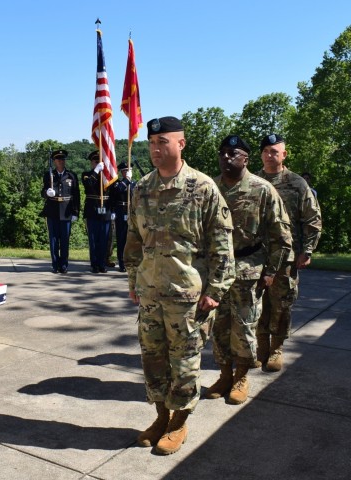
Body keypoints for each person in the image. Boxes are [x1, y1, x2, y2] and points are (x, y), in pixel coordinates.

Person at [124, 116, 235, 455]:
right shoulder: (141, 188)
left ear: (181, 144)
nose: (156, 149)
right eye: (152, 144)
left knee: (184, 366)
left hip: (188, 298)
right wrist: (133, 280)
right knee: (153, 362)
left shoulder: (202, 188)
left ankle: (179, 423)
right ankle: (161, 416)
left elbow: (222, 243)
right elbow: (133, 239)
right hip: (150, 294)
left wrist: (216, 291)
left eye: (163, 143)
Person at [205, 135, 292, 405]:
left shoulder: (262, 189)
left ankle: (241, 376)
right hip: (215, 272)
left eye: (233, 153)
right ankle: (224, 375)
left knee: (244, 328)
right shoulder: (209, 187)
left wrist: (271, 271)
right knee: (218, 327)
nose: (226, 158)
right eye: (223, 153)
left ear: (246, 159)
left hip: (248, 270)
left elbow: (282, 235)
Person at [256, 134, 322, 372]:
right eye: (266, 151)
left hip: (286, 256)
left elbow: (312, 219)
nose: (269, 155)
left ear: (284, 155)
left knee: (282, 304)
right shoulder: (253, 181)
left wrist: (307, 250)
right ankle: (260, 346)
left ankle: (276, 348)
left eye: (275, 151)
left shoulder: (296, 183)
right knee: (257, 303)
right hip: (257, 256)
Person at [40, 149, 80, 274]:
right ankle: (55, 264)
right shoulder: (49, 175)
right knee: (53, 240)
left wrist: (75, 212)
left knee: (65, 240)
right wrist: (47, 193)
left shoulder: (71, 175)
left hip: (66, 212)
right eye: (58, 159)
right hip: (52, 211)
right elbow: (43, 192)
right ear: (54, 161)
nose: (61, 161)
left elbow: (76, 195)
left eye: (63, 159)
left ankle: (64, 264)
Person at [82, 150, 114, 273]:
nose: (97, 163)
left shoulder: (107, 177)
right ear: (92, 163)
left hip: (106, 211)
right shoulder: (87, 174)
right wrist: (96, 171)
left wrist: (113, 210)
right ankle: (94, 264)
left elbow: (113, 195)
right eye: (95, 161)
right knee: (94, 240)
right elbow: (89, 185)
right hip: (92, 211)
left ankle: (102, 263)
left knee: (104, 240)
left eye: (100, 161)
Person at [109, 162, 135, 272]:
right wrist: (126, 180)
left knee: (132, 239)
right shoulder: (117, 183)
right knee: (121, 239)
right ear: (121, 172)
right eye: (125, 170)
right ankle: (122, 263)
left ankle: (132, 262)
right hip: (120, 211)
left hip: (131, 212)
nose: (127, 172)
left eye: (128, 170)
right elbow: (118, 191)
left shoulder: (135, 184)